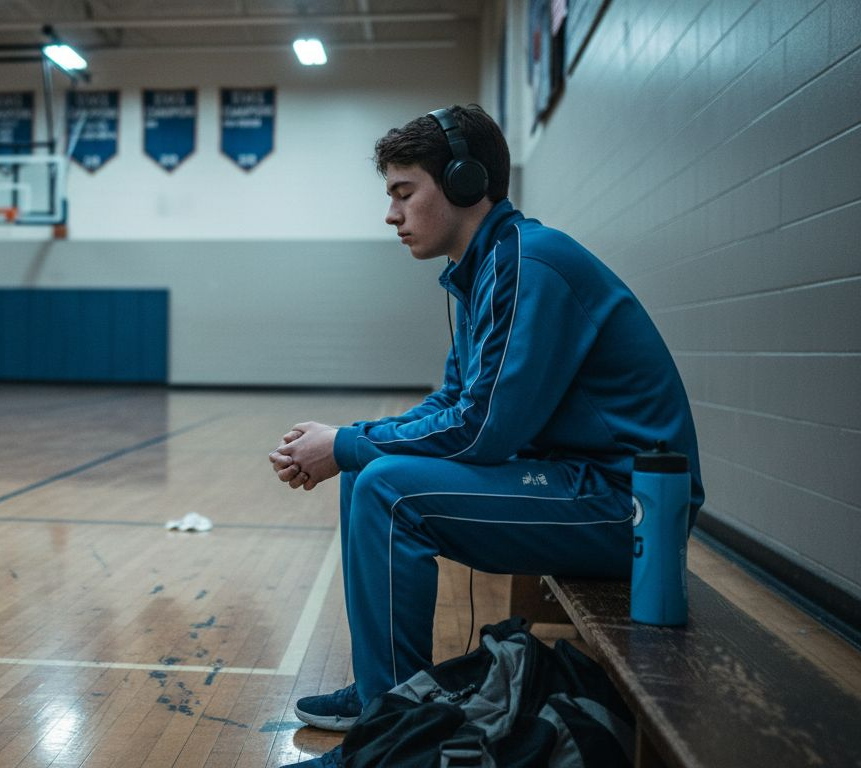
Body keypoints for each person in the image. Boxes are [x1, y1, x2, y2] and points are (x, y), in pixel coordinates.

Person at [269, 105, 703, 739]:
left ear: (465, 182)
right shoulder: (489, 271)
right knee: (370, 474)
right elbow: (452, 402)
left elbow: (480, 432)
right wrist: (345, 440)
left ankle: (392, 719)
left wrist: (345, 444)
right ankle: (382, 694)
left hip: (629, 510)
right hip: (583, 484)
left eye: (403, 192)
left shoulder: (530, 265)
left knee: (386, 487)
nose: (391, 214)